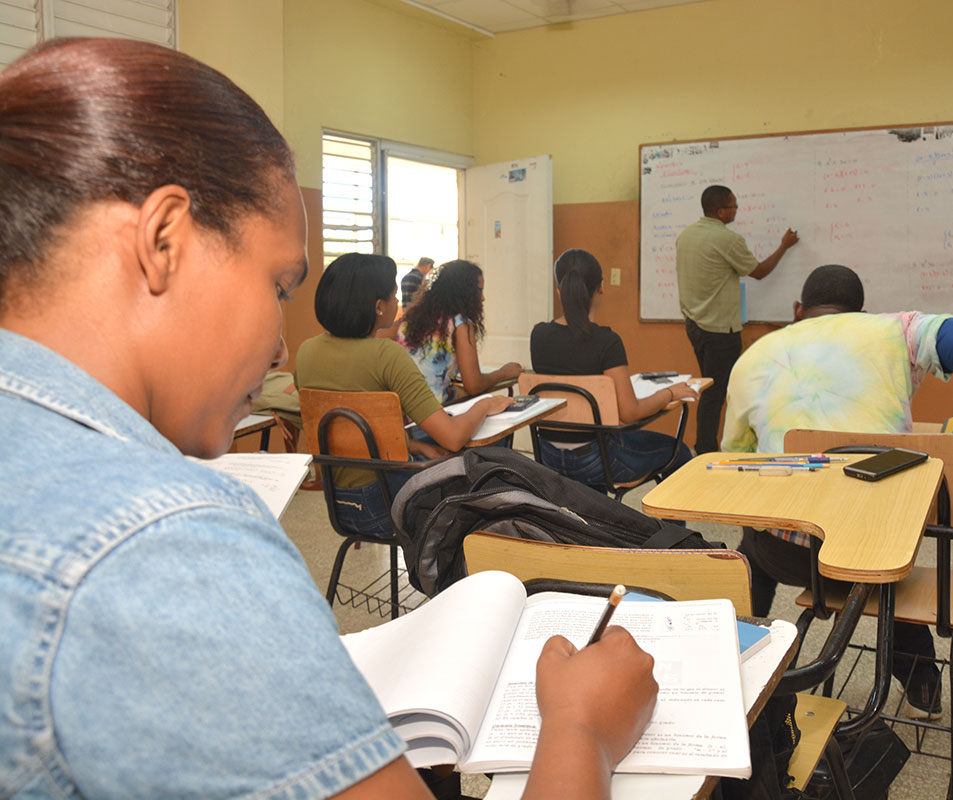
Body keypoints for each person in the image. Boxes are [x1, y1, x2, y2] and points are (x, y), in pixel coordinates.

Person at [0, 37, 657, 799]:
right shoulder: (164, 541)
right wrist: (581, 729)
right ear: (164, 239)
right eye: (280, 284)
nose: (281, 343)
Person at [723, 264, 953, 719]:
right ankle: (922, 684)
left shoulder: (754, 355)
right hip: (871, 558)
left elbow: (733, 463)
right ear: (861, 312)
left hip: (787, 557)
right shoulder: (895, 331)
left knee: (753, 540)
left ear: (797, 310)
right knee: (888, 560)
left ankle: (735, 652)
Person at [295, 253, 513, 538]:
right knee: (493, 452)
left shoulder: (306, 352)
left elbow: (351, 432)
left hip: (339, 504)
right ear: (378, 306)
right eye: (394, 296)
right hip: (390, 502)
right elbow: (452, 437)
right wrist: (483, 405)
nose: (398, 304)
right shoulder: (386, 355)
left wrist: (415, 446)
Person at [530, 249, 698, 491]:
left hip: (548, 456)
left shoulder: (539, 336)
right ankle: (671, 530)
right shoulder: (606, 341)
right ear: (601, 288)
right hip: (597, 460)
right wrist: (671, 393)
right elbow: (630, 412)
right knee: (679, 453)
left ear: (559, 291)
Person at [675, 184, 800, 453]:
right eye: (733, 206)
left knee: (711, 389)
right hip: (720, 330)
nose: (736, 210)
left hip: (694, 324)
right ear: (720, 211)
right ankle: (709, 449)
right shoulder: (727, 240)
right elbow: (758, 272)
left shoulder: (685, 235)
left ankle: (706, 445)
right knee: (720, 392)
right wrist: (784, 246)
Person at [402, 258, 523, 402]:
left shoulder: (407, 320)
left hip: (400, 411)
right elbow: (474, 385)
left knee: (462, 394)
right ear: (464, 292)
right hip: (432, 416)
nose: (483, 298)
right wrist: (503, 373)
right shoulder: (459, 323)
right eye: (479, 291)